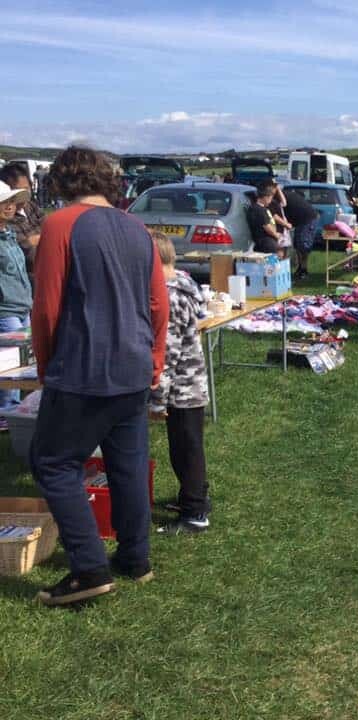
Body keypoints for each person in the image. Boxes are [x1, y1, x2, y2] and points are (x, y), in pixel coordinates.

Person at [31, 146, 169, 606]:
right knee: (126, 465)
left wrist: (47, 365)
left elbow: (47, 307)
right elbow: (158, 305)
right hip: (133, 363)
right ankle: (135, 558)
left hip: (83, 365)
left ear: (63, 182)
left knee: (53, 463)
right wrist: (155, 359)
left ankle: (89, 568)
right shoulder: (137, 227)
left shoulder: (58, 224)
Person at [148, 231, 211, 535]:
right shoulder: (185, 283)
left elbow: (168, 353)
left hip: (182, 388)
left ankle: (195, 513)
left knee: (186, 450)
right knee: (187, 447)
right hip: (190, 384)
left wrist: (158, 399)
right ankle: (196, 496)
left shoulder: (169, 295)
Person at [0, 180, 33, 431]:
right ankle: (6, 415)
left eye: (11, 201)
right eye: (4, 202)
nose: (9, 206)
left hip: (22, 306)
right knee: (9, 366)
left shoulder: (10, 235)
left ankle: (14, 413)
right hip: (5, 310)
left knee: (23, 367)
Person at [0, 164, 42, 267]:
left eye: (26, 189)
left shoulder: (31, 206)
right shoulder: (5, 217)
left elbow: (49, 227)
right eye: (17, 191)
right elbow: (24, 256)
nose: (24, 195)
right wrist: (27, 244)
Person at [282, 185, 319, 280]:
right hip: (300, 221)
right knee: (297, 245)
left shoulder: (279, 199)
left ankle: (304, 269)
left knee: (303, 245)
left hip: (307, 219)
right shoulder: (283, 195)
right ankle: (300, 268)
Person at [247, 181, 282, 253]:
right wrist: (276, 235)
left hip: (270, 241)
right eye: (270, 198)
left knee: (273, 262)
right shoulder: (258, 210)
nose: (271, 201)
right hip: (266, 243)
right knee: (270, 263)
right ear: (266, 197)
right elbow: (266, 226)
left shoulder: (263, 208)